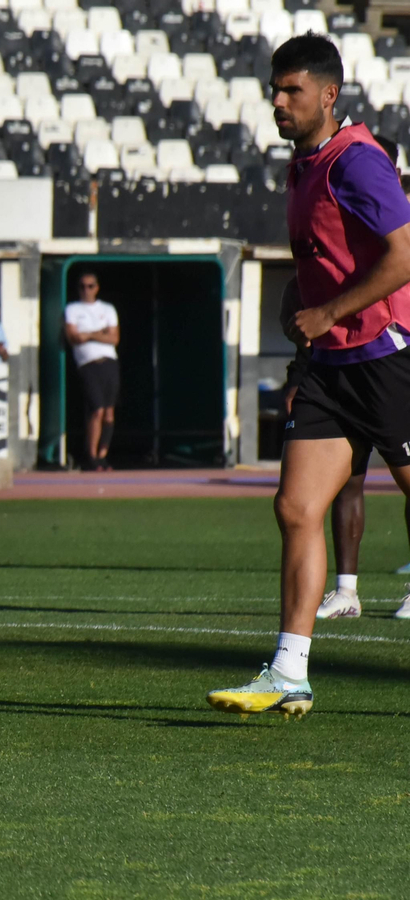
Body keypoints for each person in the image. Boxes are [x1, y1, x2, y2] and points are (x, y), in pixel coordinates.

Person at [208, 35, 410, 718]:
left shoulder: (357, 160)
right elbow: (326, 260)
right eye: (275, 89)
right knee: (297, 509)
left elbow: (404, 255)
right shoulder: (305, 164)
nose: (278, 102)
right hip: (333, 366)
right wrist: (308, 325)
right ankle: (288, 670)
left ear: (329, 95)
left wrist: (327, 309)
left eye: (292, 90)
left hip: (389, 356)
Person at [281, 277, 410, 621]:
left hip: (389, 363)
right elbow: (306, 303)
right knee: (340, 486)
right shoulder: (316, 259)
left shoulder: (384, 236)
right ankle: (346, 591)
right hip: (335, 371)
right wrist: (297, 377)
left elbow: (399, 260)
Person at [64, 270, 120, 471]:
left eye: (90, 286)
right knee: (96, 409)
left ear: (96, 288)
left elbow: (114, 338)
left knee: (109, 413)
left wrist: (88, 334)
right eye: (82, 286)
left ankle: (103, 455)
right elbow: (75, 338)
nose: (86, 290)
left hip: (109, 362)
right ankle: (92, 455)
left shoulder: (108, 308)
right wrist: (100, 332)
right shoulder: (72, 309)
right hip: (88, 363)